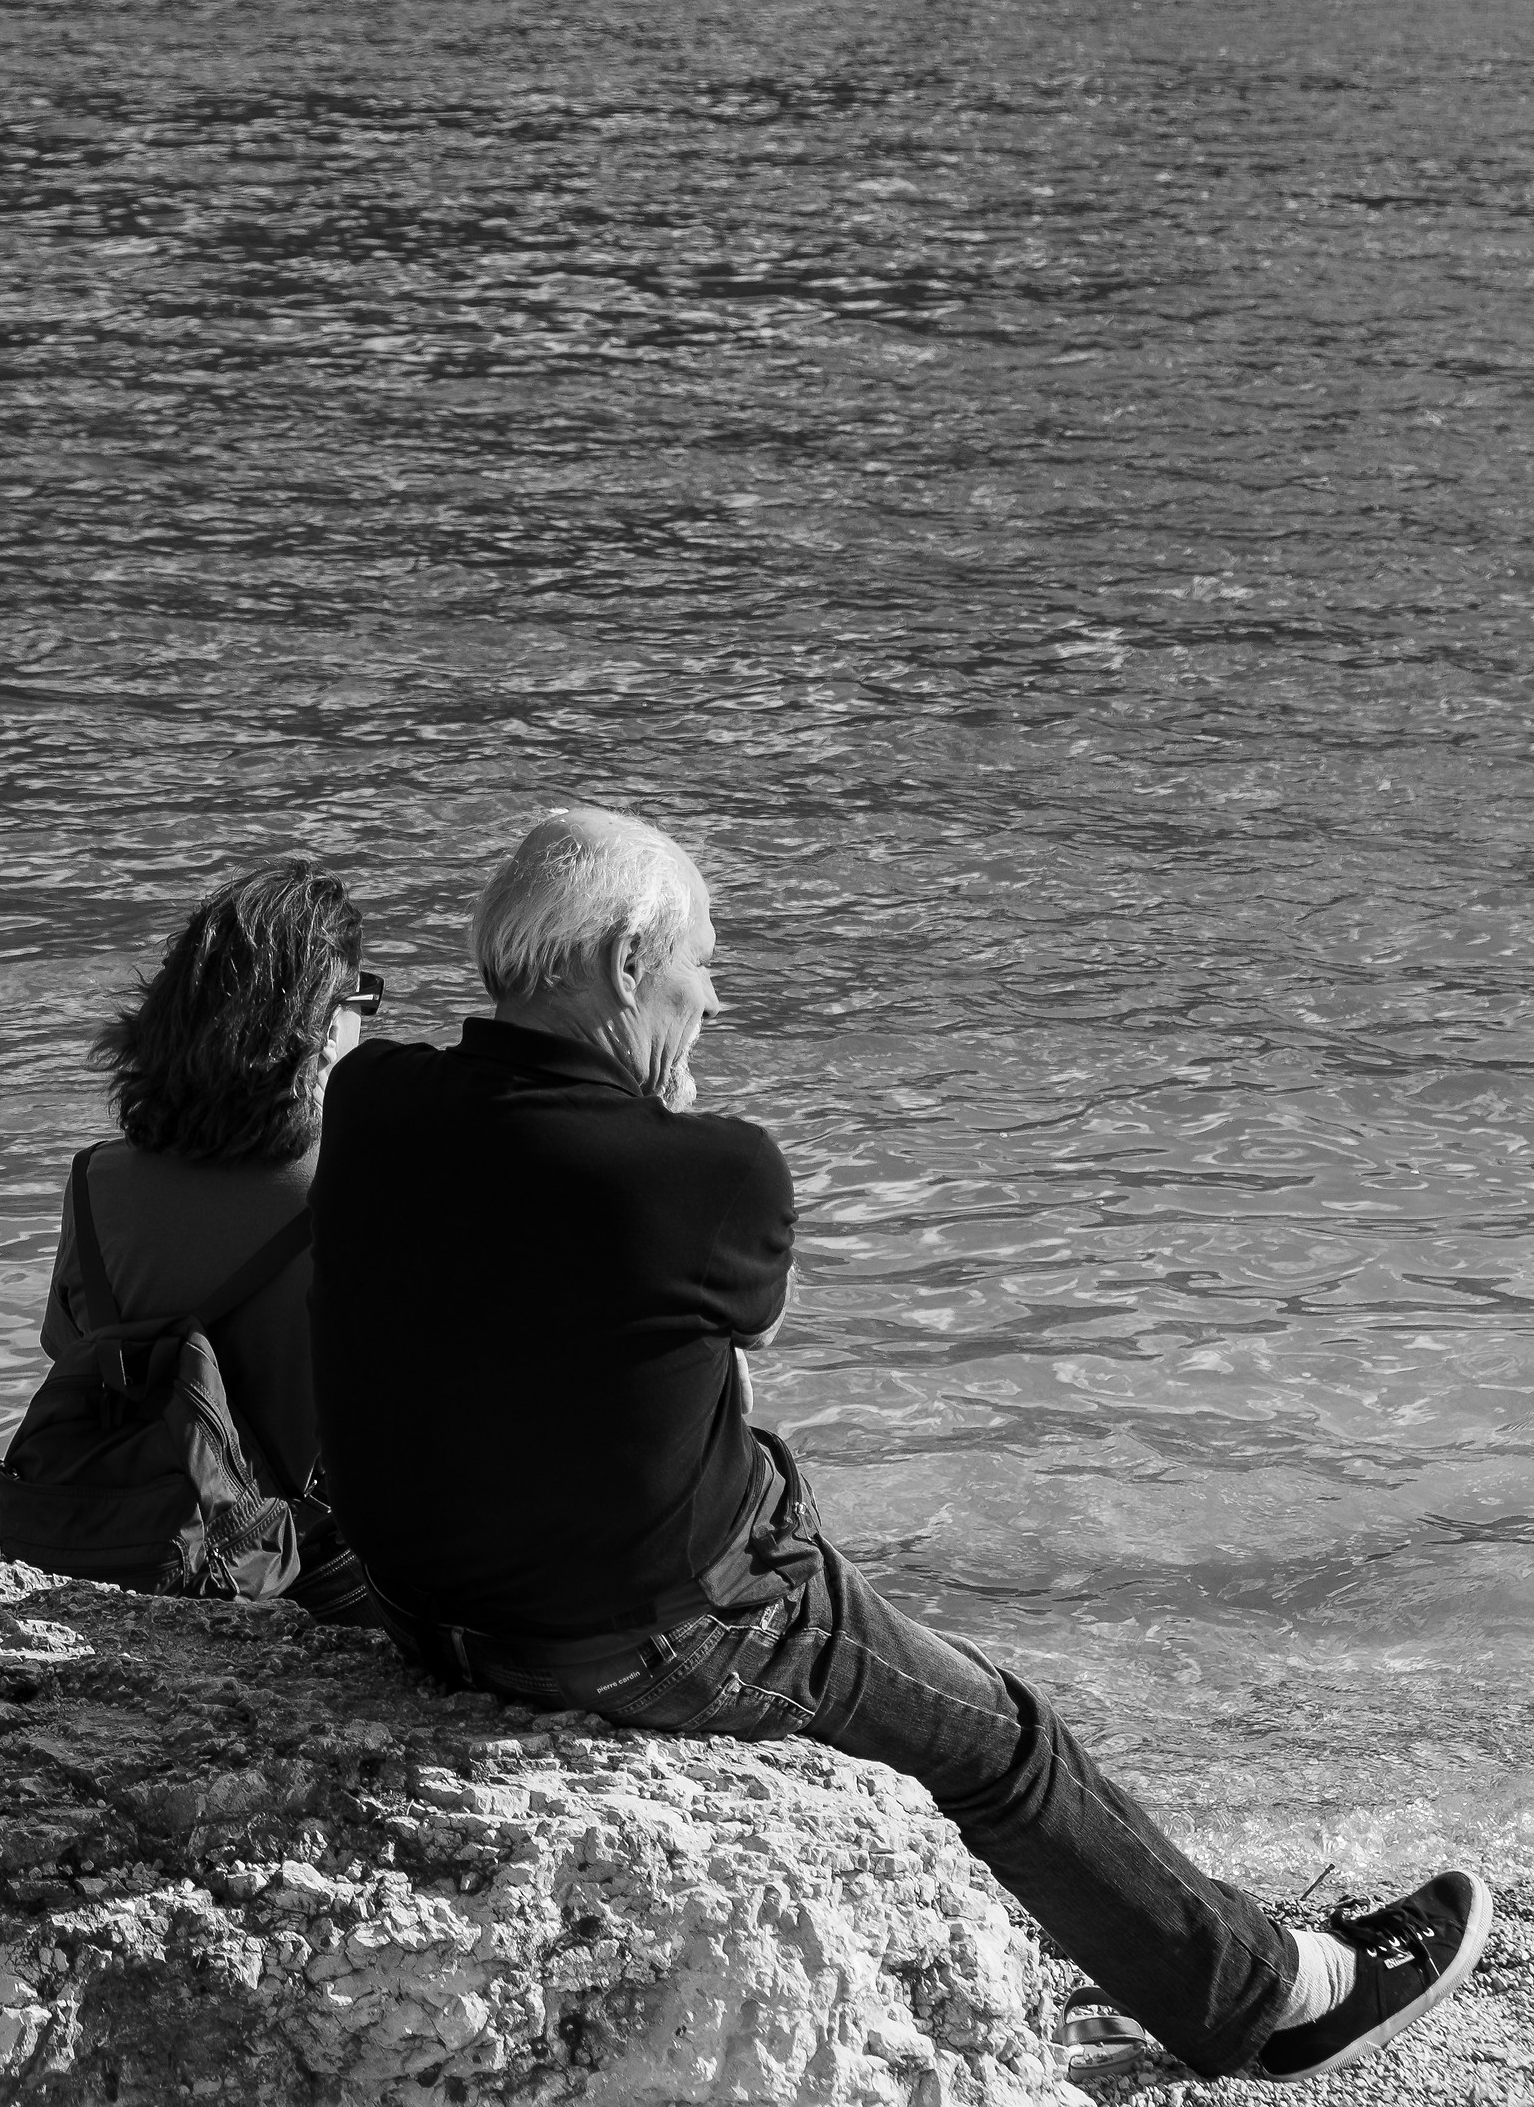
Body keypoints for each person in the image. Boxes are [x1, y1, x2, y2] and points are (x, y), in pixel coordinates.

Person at [307, 810, 1491, 2085]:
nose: (712, 995)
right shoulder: (711, 1172)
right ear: (629, 961)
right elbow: (727, 1318)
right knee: (1004, 1742)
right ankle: (1272, 2001)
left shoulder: (369, 1097)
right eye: (700, 960)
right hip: (631, 1639)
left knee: (732, 1463)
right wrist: (673, 1123)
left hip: (414, 1606)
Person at [24, 858, 382, 1620]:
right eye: (362, 999)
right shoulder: (365, 1185)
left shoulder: (96, 1182)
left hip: (133, 1548)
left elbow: (71, 1350)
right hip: (306, 1576)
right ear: (318, 1033)